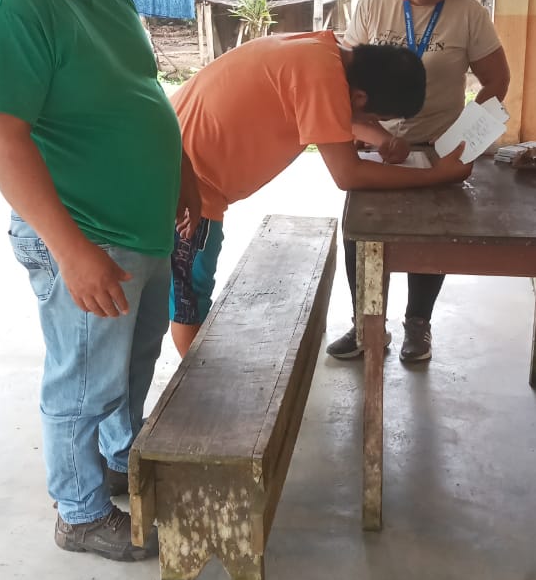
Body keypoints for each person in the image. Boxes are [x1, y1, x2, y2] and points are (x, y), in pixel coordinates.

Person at [0, 0, 199, 563]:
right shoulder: (11, 6)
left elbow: (139, 88)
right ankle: (80, 511)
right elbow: (2, 137)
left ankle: (121, 461)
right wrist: (71, 251)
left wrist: (181, 173)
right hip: (87, 233)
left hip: (139, 225)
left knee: (132, 366)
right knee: (83, 383)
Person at [168, 28, 473, 357]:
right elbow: (348, 174)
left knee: (186, 292)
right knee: (189, 300)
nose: (375, 124)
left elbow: (334, 111)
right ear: (360, 99)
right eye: (378, 118)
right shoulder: (322, 80)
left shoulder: (326, 53)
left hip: (175, 155)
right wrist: (435, 175)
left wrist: (382, 139)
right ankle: (197, 386)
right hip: (185, 186)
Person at [326, 0, 510, 365]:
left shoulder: (469, 16)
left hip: (437, 146)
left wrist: (465, 134)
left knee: (434, 237)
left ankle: (418, 324)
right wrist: (368, 134)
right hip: (375, 147)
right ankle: (366, 325)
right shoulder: (374, 6)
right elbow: (343, 82)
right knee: (361, 237)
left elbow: (497, 80)